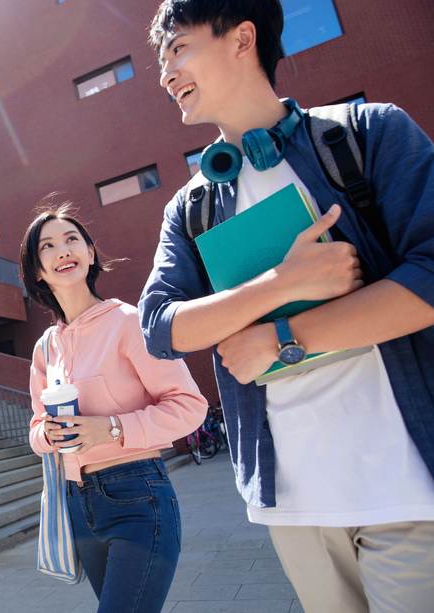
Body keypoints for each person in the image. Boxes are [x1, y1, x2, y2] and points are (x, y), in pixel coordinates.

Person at [140, 1, 434, 611]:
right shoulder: (191, 206)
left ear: (242, 37)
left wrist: (278, 338)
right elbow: (160, 325)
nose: (165, 73)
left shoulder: (368, 135)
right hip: (294, 505)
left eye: (178, 48)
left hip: (408, 489)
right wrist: (278, 285)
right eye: (160, 58)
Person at [21, 204, 207, 612]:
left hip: (137, 496)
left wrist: (111, 428)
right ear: (38, 270)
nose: (62, 250)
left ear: (90, 253)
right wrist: (47, 435)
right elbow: (36, 429)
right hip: (77, 505)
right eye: (47, 246)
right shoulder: (45, 348)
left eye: (72, 239)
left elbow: (191, 406)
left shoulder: (127, 321)